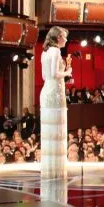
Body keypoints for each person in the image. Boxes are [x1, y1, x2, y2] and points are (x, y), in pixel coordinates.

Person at [40, 26, 72, 180]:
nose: (66, 40)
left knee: (50, 132)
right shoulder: (55, 51)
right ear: (59, 37)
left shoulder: (45, 51)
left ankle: (50, 169)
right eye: (64, 37)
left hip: (47, 90)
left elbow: (44, 76)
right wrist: (67, 73)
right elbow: (53, 74)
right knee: (56, 129)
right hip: (55, 93)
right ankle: (56, 172)